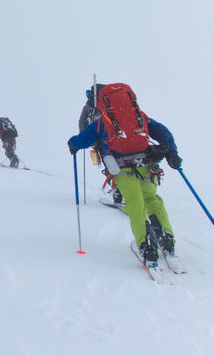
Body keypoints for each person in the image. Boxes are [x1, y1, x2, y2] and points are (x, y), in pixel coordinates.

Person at [67, 83, 183, 265]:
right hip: (147, 163)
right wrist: (172, 154)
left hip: (121, 168)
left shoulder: (102, 122)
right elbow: (163, 132)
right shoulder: (139, 116)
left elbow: (83, 139)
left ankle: (147, 247)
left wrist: (72, 144)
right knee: (152, 199)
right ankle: (167, 240)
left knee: (135, 204)